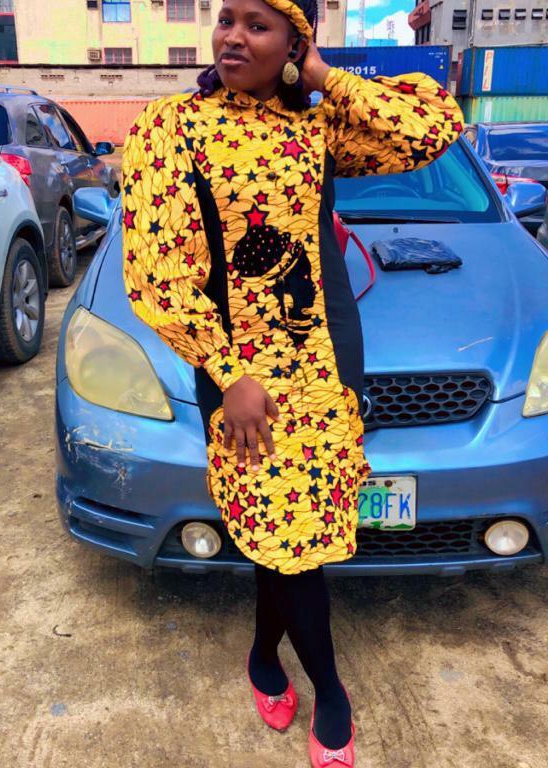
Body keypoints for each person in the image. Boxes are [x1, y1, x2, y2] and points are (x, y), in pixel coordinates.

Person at [122, 0, 464, 764]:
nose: (233, 36)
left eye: (259, 24)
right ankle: (332, 693)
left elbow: (433, 125)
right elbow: (159, 271)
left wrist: (321, 76)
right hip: (241, 377)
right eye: (226, 18)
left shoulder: (315, 126)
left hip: (326, 365)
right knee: (284, 540)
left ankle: (262, 657)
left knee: (291, 539)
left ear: (293, 41)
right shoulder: (173, 127)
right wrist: (227, 371)